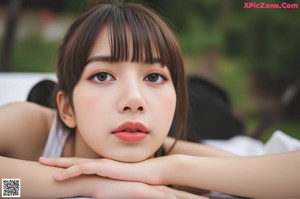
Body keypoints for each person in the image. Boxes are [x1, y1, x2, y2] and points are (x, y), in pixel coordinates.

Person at [0, 1, 299, 198]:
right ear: (66, 108)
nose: (134, 99)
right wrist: (94, 183)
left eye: (154, 77)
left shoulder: (170, 160)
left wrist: (173, 168)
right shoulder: (30, 127)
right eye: (102, 76)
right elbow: (6, 188)